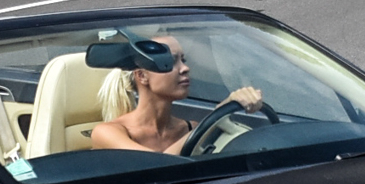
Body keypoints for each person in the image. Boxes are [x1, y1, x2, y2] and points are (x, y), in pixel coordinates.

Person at [90, 35, 265, 154]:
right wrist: (214, 118)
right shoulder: (107, 133)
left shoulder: (191, 129)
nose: (185, 68)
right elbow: (159, 167)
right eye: (170, 62)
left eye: (184, 60)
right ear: (142, 76)